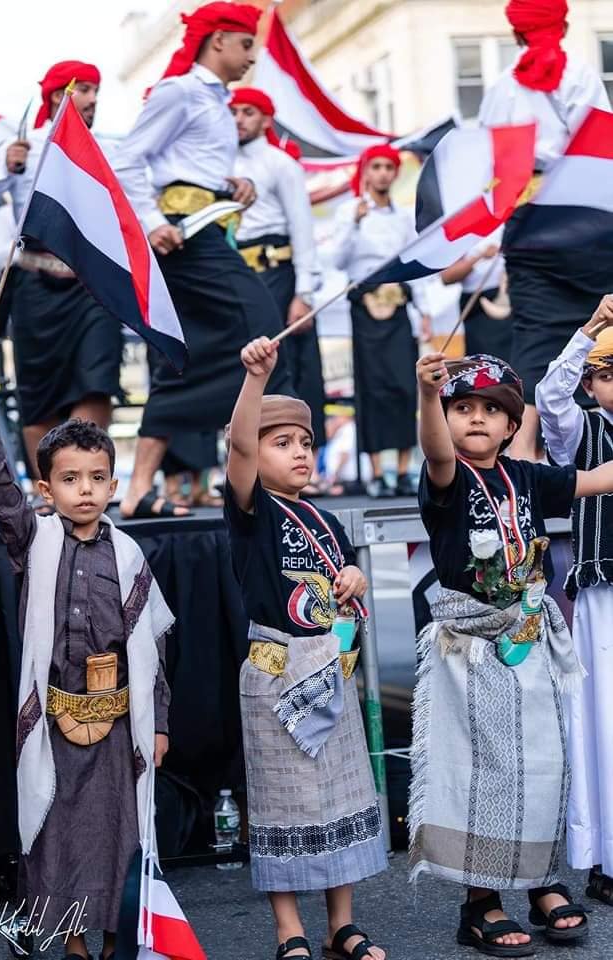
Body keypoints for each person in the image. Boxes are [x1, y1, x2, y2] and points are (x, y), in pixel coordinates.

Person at [408, 348, 613, 954]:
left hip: (529, 637)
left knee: (545, 762)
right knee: (485, 773)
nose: (476, 418)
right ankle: (482, 902)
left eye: (492, 410)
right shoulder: (446, 477)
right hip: (472, 647)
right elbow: (434, 449)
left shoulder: (525, 476)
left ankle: (542, 881)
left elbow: (598, 479)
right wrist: (427, 395)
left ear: (511, 424)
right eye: (462, 408)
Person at [0, 358, 173, 960]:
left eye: (96, 478)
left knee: (119, 833)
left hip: (119, 725)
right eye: (69, 479)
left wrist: (159, 724)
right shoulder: (34, 541)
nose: (84, 489)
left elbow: (154, 648)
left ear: (113, 486)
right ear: (47, 491)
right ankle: (72, 942)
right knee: (57, 833)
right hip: (55, 724)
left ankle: (117, 938)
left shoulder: (131, 555)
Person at [224, 336, 387, 960]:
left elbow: (341, 582)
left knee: (342, 792)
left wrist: (356, 577)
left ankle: (340, 924)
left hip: (329, 671)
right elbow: (239, 448)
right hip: (276, 674)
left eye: (305, 442)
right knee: (283, 799)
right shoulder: (253, 512)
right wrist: (256, 381)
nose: (299, 452)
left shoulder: (324, 519)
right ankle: (287, 928)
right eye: (282, 442)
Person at [113, 2, 294, 520]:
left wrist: (236, 185)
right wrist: (152, 220)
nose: (252, 56)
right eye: (246, 44)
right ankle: (262, 478)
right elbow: (128, 159)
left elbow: (189, 166)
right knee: (263, 328)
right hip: (185, 239)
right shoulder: (180, 91)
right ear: (218, 41)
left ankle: (139, 490)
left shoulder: (217, 101)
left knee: (185, 356)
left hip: (209, 228)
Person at [0, 62, 122, 489]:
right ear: (61, 95)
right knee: (39, 395)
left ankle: (87, 483)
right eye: (86, 89)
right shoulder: (25, 146)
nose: (94, 99)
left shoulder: (109, 150)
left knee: (96, 382)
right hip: (35, 287)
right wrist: (6, 166)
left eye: (97, 90)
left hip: (94, 285)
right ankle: (51, 493)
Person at [479, 0, 612, 459]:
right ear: (564, 27)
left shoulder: (500, 89)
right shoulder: (582, 77)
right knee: (603, 327)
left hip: (528, 217)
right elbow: (601, 149)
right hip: (587, 219)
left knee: (535, 333)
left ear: (515, 33)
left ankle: (522, 455)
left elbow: (489, 162)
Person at [536, 293, 613, 908]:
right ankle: (607, 859)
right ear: (591, 384)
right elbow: (549, 399)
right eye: (607, 374)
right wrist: (588, 331)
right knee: (604, 724)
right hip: (604, 595)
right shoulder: (583, 431)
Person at [231, 87, 327, 484]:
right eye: (234, 112)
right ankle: (247, 464)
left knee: (290, 366)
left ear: (266, 118)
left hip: (278, 271)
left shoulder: (280, 162)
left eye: (248, 112)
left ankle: (304, 465)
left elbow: (302, 228)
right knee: (242, 366)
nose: (239, 119)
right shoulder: (216, 161)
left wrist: (303, 293)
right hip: (236, 272)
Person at [332, 144, 431, 498]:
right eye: (376, 167)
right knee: (372, 388)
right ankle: (376, 472)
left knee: (404, 386)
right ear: (365, 171)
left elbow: (415, 263)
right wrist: (355, 223)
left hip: (398, 301)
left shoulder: (403, 216)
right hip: (365, 303)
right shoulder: (349, 211)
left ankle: (403, 470)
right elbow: (338, 260)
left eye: (389, 167)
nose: (383, 174)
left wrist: (425, 311)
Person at [440, 228, 512, 362]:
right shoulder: (462, 229)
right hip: (476, 303)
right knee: (481, 360)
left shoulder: (508, 224)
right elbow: (447, 277)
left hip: (507, 296)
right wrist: (480, 255)